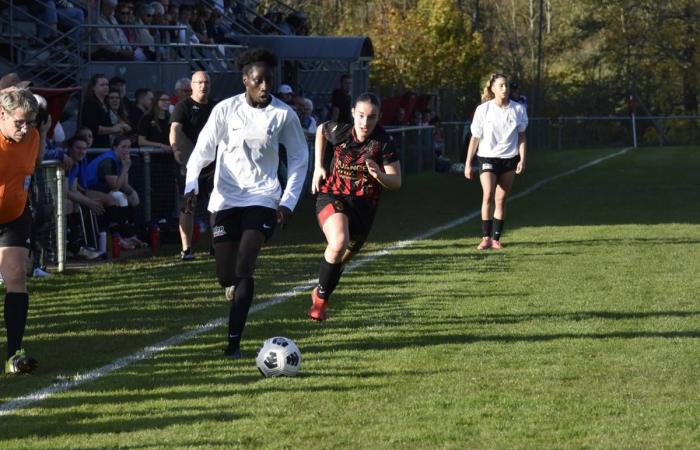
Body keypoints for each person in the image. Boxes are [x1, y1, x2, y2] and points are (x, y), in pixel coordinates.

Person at [183, 48, 308, 358]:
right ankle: (232, 287)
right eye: (258, 81)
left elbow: (298, 159)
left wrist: (288, 201)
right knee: (226, 276)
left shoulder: (283, 115)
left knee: (245, 262)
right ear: (245, 81)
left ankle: (234, 343)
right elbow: (202, 150)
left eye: (269, 81)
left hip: (263, 197)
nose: (265, 87)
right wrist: (191, 184)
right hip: (225, 200)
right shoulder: (225, 110)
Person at [308, 92, 401, 322]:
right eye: (360, 116)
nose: (365, 123)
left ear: (378, 118)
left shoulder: (383, 142)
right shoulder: (340, 131)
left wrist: (379, 174)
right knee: (338, 241)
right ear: (353, 114)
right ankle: (319, 303)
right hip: (333, 195)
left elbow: (396, 180)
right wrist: (319, 166)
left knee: (338, 260)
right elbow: (321, 130)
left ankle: (322, 291)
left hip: (363, 209)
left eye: (371, 117)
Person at [0, 88, 49, 374]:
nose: (25, 128)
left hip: (15, 216)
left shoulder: (32, 137)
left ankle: (13, 355)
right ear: (2, 115)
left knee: (16, 275)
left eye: (29, 122)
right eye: (19, 122)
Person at [464, 73, 528, 250]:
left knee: (501, 199)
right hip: (487, 157)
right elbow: (475, 138)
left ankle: (496, 238)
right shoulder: (483, 110)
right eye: (500, 85)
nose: (504, 89)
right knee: (488, 195)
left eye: (506, 85)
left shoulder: (518, 109)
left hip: (509, 159)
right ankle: (485, 237)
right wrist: (468, 163)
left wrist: (522, 158)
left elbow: (522, 136)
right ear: (492, 88)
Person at [169, 71, 213, 261]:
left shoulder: (215, 107)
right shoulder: (183, 106)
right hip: (190, 164)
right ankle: (186, 248)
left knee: (217, 204)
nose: (203, 86)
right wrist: (176, 149)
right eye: (199, 82)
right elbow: (175, 129)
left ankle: (216, 244)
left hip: (213, 164)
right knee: (188, 205)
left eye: (206, 82)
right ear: (192, 86)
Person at [84, 133, 147, 250]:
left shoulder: (120, 160)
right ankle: (117, 237)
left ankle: (129, 234)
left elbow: (124, 184)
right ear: (115, 147)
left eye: (129, 147)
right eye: (123, 147)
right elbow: (115, 187)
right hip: (89, 188)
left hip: (103, 189)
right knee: (119, 197)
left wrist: (132, 193)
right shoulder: (109, 160)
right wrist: (126, 168)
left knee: (131, 197)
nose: (126, 150)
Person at [80, 74, 129, 148]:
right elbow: (93, 127)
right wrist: (112, 129)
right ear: (93, 87)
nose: (106, 87)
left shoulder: (105, 104)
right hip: (95, 146)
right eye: (102, 85)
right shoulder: (90, 104)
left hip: (105, 145)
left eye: (107, 84)